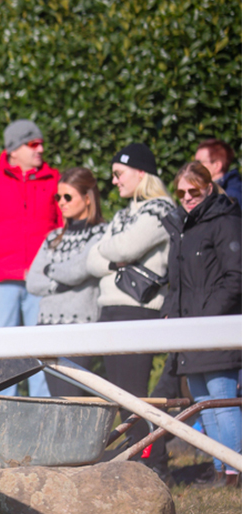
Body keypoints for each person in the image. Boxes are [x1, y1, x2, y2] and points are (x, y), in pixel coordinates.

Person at [86, 142, 177, 477]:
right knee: (123, 396)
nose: (113, 181)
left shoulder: (161, 209)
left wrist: (112, 252)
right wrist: (117, 257)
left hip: (138, 311)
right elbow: (92, 260)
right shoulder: (126, 214)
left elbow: (121, 246)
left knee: (135, 396)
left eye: (118, 174)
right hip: (111, 309)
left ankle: (153, 462)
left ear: (141, 173)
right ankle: (143, 458)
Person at [0, 119, 62, 397]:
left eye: (41, 143)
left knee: (43, 348)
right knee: (0, 349)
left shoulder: (54, 179)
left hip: (42, 281)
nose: (40, 149)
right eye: (33, 144)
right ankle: (2, 408)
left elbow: (62, 228)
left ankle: (44, 409)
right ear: (14, 149)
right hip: (2, 278)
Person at [162, 161, 242, 487]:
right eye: (181, 192)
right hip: (189, 331)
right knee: (203, 407)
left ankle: (234, 472)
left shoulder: (226, 222)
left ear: (208, 188)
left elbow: (235, 277)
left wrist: (208, 319)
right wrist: (170, 314)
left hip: (214, 329)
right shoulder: (182, 228)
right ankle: (219, 470)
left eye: (193, 191)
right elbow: (175, 284)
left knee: (221, 402)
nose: (187, 198)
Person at [25, 167, 108, 397]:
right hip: (46, 327)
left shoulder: (102, 234)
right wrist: (58, 284)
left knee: (75, 400)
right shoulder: (52, 237)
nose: (61, 202)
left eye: (68, 197)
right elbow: (32, 281)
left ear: (88, 198)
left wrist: (50, 269)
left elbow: (79, 270)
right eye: (58, 197)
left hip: (80, 327)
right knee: (60, 400)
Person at [195, 139, 242, 207]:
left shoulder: (231, 195)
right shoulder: (211, 191)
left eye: (199, 163)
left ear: (217, 166)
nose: (194, 167)